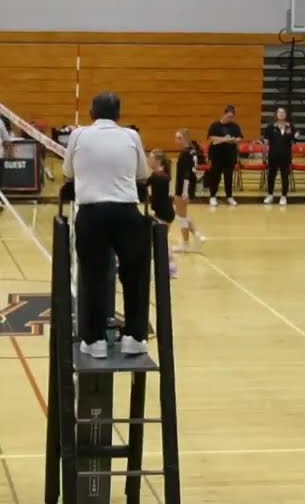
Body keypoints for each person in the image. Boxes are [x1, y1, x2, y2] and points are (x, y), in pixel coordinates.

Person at [63, 92, 151, 359]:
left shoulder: (78, 134)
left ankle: (95, 340)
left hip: (91, 214)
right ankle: (134, 337)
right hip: (127, 214)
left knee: (93, 277)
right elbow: (142, 174)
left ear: (92, 113)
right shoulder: (131, 136)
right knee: (135, 276)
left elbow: (68, 172)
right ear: (118, 115)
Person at [147, 149, 180, 277]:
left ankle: (172, 268)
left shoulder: (158, 177)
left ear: (158, 161)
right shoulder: (159, 175)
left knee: (162, 241)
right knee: (159, 239)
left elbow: (149, 190)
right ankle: (167, 266)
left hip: (164, 213)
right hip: (163, 211)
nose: (149, 161)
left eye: (151, 159)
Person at [171, 129, 204, 253]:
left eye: (178, 138)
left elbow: (186, 174)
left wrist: (185, 192)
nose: (176, 140)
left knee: (181, 216)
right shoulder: (192, 151)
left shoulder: (185, 154)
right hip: (188, 185)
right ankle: (197, 236)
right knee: (181, 214)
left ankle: (188, 242)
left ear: (184, 138)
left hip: (183, 187)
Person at [205, 105, 243, 208]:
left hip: (230, 155)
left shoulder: (235, 126)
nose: (230, 118)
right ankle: (213, 196)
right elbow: (212, 138)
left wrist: (233, 140)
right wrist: (224, 139)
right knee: (215, 176)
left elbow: (239, 138)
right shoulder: (215, 125)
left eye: (232, 117)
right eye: (229, 116)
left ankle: (229, 196)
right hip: (217, 155)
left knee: (228, 176)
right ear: (224, 114)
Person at [262, 107, 295, 206]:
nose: (281, 114)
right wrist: (264, 155)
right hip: (273, 155)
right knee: (271, 176)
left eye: (283, 112)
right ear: (276, 114)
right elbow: (266, 142)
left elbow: (295, 140)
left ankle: (284, 196)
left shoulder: (290, 127)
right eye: (279, 112)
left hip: (286, 156)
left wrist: (294, 136)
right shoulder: (270, 127)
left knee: (285, 176)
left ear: (286, 114)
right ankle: (270, 195)